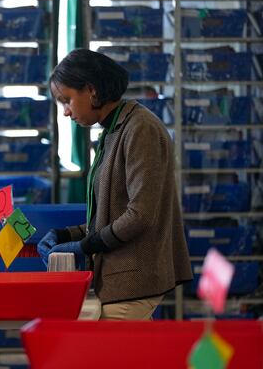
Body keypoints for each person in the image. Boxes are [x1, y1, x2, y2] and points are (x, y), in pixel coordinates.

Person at [38, 48, 192, 320]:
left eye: (67, 100)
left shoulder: (140, 128)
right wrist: (68, 235)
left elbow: (140, 215)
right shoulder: (115, 130)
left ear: (91, 91)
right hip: (120, 281)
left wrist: (84, 247)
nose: (65, 112)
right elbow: (114, 212)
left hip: (134, 282)